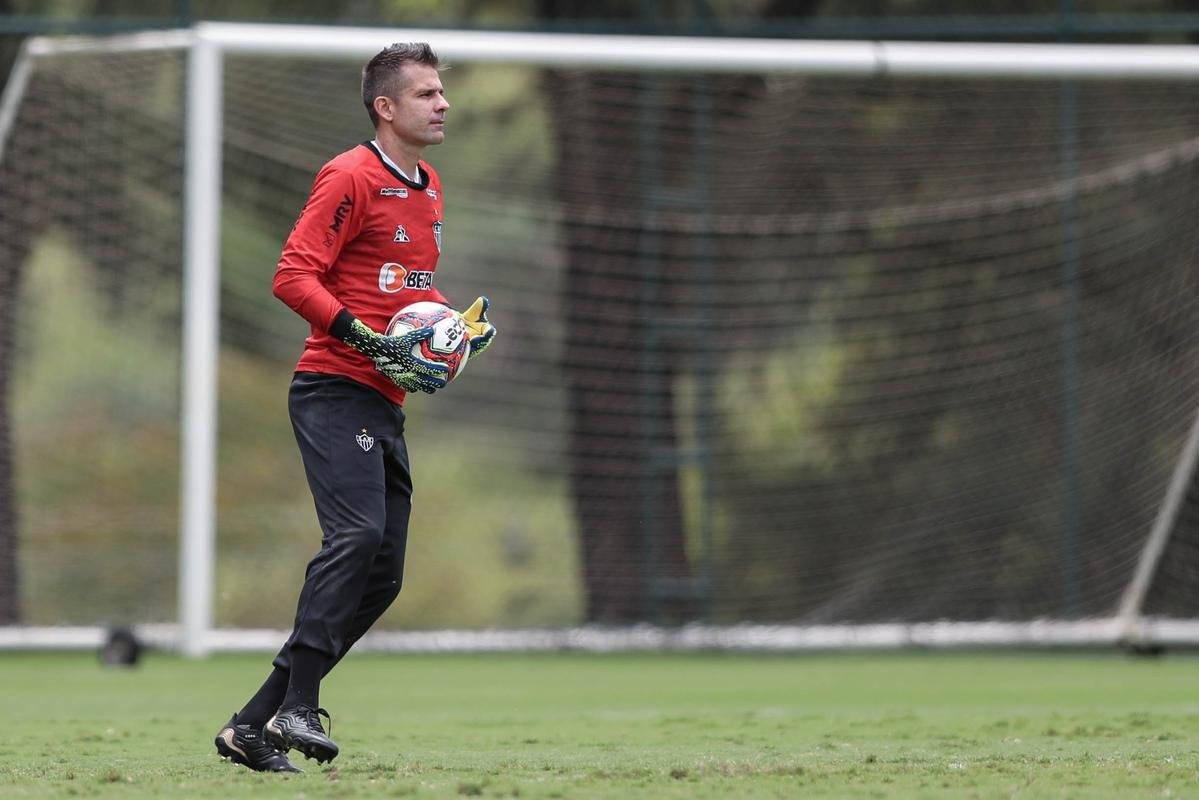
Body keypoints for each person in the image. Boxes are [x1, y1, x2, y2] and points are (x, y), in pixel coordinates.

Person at [214, 42, 495, 773]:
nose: (443, 103)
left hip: (383, 399)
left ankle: (251, 724)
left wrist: (450, 334)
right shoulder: (349, 174)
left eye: (442, 92)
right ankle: (298, 704)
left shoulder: (428, 184)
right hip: (333, 387)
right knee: (358, 534)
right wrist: (364, 339)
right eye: (427, 93)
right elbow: (292, 275)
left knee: (384, 572)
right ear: (386, 107)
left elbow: (404, 293)